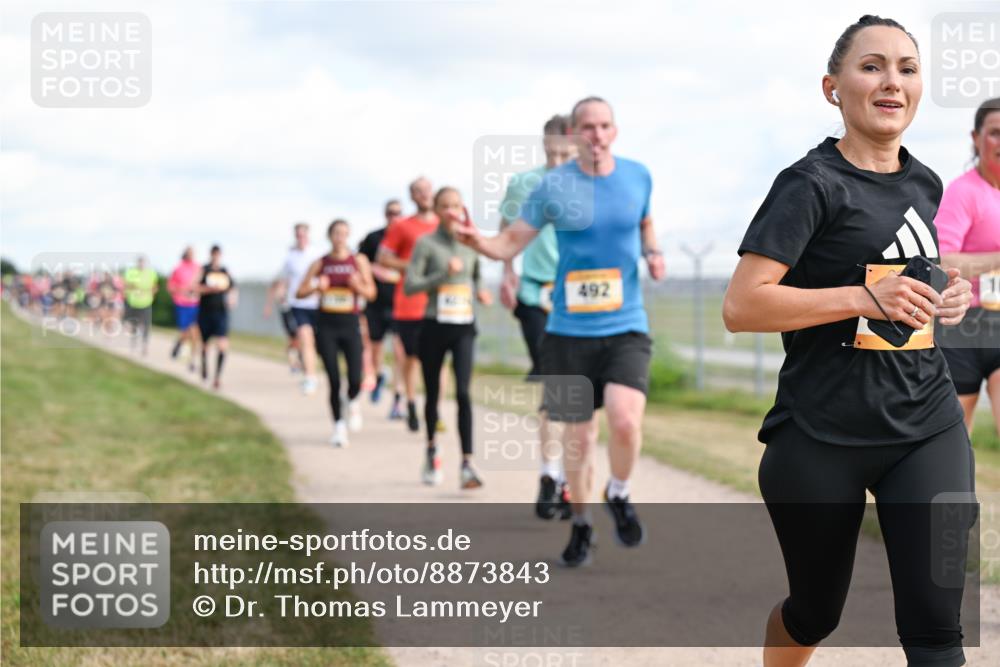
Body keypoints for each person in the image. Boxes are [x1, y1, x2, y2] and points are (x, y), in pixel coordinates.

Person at [721, 16, 975, 667]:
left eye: (907, 68)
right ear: (833, 87)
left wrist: (942, 297)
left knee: (937, 627)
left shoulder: (925, 182)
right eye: (872, 66)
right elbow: (743, 305)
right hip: (820, 435)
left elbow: (904, 286)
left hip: (927, 425)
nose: (892, 81)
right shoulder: (810, 185)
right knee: (815, 613)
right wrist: (863, 299)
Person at [455, 96, 665, 566]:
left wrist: (653, 252)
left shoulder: (638, 175)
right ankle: (582, 522)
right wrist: (477, 242)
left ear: (615, 130)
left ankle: (620, 491)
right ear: (573, 134)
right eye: (586, 127)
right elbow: (510, 241)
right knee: (580, 437)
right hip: (569, 331)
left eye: (604, 125)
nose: (596, 134)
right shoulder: (553, 186)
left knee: (626, 420)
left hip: (626, 323)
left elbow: (646, 221)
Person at [498, 114, 578, 519]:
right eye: (550, 152)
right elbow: (506, 228)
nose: (556, 160)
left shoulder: (594, 186)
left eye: (564, 153)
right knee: (556, 385)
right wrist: (507, 273)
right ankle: (552, 475)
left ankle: (562, 478)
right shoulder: (525, 183)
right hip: (534, 294)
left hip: (580, 299)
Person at [405, 188, 493, 488]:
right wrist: (442, 275)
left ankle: (468, 463)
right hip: (434, 325)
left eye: (456, 205)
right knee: (432, 393)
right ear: (437, 210)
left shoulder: (470, 242)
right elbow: (410, 286)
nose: (452, 210)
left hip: (464, 325)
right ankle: (431, 449)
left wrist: (480, 290)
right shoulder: (426, 243)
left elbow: (477, 273)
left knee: (465, 393)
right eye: (445, 206)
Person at [936, 97, 1000, 439]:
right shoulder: (963, 193)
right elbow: (942, 261)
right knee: (956, 441)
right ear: (976, 138)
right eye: (995, 133)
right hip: (962, 325)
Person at [297, 219, 377, 447]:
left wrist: (358, 286)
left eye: (344, 233)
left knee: (355, 378)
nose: (340, 237)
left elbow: (371, 293)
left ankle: (352, 401)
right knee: (333, 378)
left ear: (348, 236)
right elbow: (300, 291)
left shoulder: (358, 261)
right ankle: (338, 427)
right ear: (329, 236)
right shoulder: (320, 262)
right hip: (327, 325)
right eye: (336, 233)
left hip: (350, 324)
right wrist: (316, 286)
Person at [378, 177, 441, 433]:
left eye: (428, 189)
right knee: (412, 359)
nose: (425, 194)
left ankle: (434, 410)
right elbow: (383, 259)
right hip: (410, 304)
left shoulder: (444, 225)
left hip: (442, 304)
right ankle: (412, 402)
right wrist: (415, 267)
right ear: (412, 196)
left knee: (441, 360)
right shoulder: (402, 227)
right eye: (419, 191)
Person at [358, 199, 408, 414]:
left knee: (400, 351)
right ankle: (379, 376)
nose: (394, 216)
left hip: (400, 303)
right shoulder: (373, 238)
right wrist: (375, 269)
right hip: (376, 303)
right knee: (376, 348)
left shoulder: (408, 238)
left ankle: (398, 399)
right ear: (385, 214)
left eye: (398, 213)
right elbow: (358, 260)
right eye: (390, 212)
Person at [264, 222, 320, 394]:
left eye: (303, 234)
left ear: (308, 235)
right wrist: (273, 301)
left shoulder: (316, 254)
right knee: (302, 337)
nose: (301, 238)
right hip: (297, 303)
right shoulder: (290, 257)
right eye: (298, 235)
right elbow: (282, 280)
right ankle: (310, 377)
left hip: (316, 303)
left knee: (313, 342)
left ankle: (306, 366)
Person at [196, 245, 238, 390]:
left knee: (222, 344)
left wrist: (232, 299)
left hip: (221, 312)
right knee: (204, 344)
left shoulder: (225, 271)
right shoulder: (204, 270)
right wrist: (210, 289)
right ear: (210, 254)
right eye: (214, 254)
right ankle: (204, 366)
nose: (216, 257)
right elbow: (195, 287)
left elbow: (233, 287)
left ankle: (217, 377)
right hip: (205, 311)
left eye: (218, 254)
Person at [167, 247, 202, 372]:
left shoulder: (198, 268)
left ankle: (192, 361)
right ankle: (179, 343)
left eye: (193, 253)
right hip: (182, 303)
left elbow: (202, 285)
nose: (192, 255)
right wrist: (182, 290)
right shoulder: (178, 269)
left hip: (194, 304)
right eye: (190, 253)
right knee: (185, 332)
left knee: (194, 332)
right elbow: (170, 287)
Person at [122, 255, 158, 356]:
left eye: (143, 263)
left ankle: (144, 345)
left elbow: (155, 286)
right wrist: (135, 287)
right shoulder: (131, 272)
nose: (141, 264)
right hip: (133, 302)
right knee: (134, 324)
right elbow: (126, 284)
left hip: (146, 303)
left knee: (146, 325)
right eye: (140, 262)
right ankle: (133, 343)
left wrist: (151, 293)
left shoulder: (151, 273)